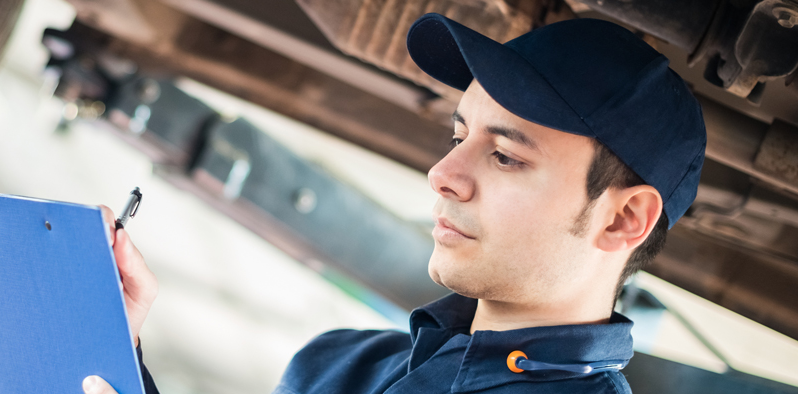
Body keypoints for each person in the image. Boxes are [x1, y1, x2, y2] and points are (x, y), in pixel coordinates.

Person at [82, 11, 705, 394]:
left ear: (624, 218)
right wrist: (114, 345)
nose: (442, 174)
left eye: (506, 156)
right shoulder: (340, 365)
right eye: (458, 137)